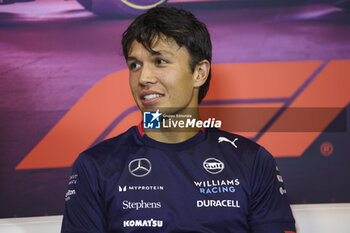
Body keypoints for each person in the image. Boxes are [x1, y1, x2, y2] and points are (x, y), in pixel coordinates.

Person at [61, 7, 296, 233]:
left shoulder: (253, 161)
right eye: (135, 65)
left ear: (199, 73)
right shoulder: (94, 165)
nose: (143, 77)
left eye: (160, 61)